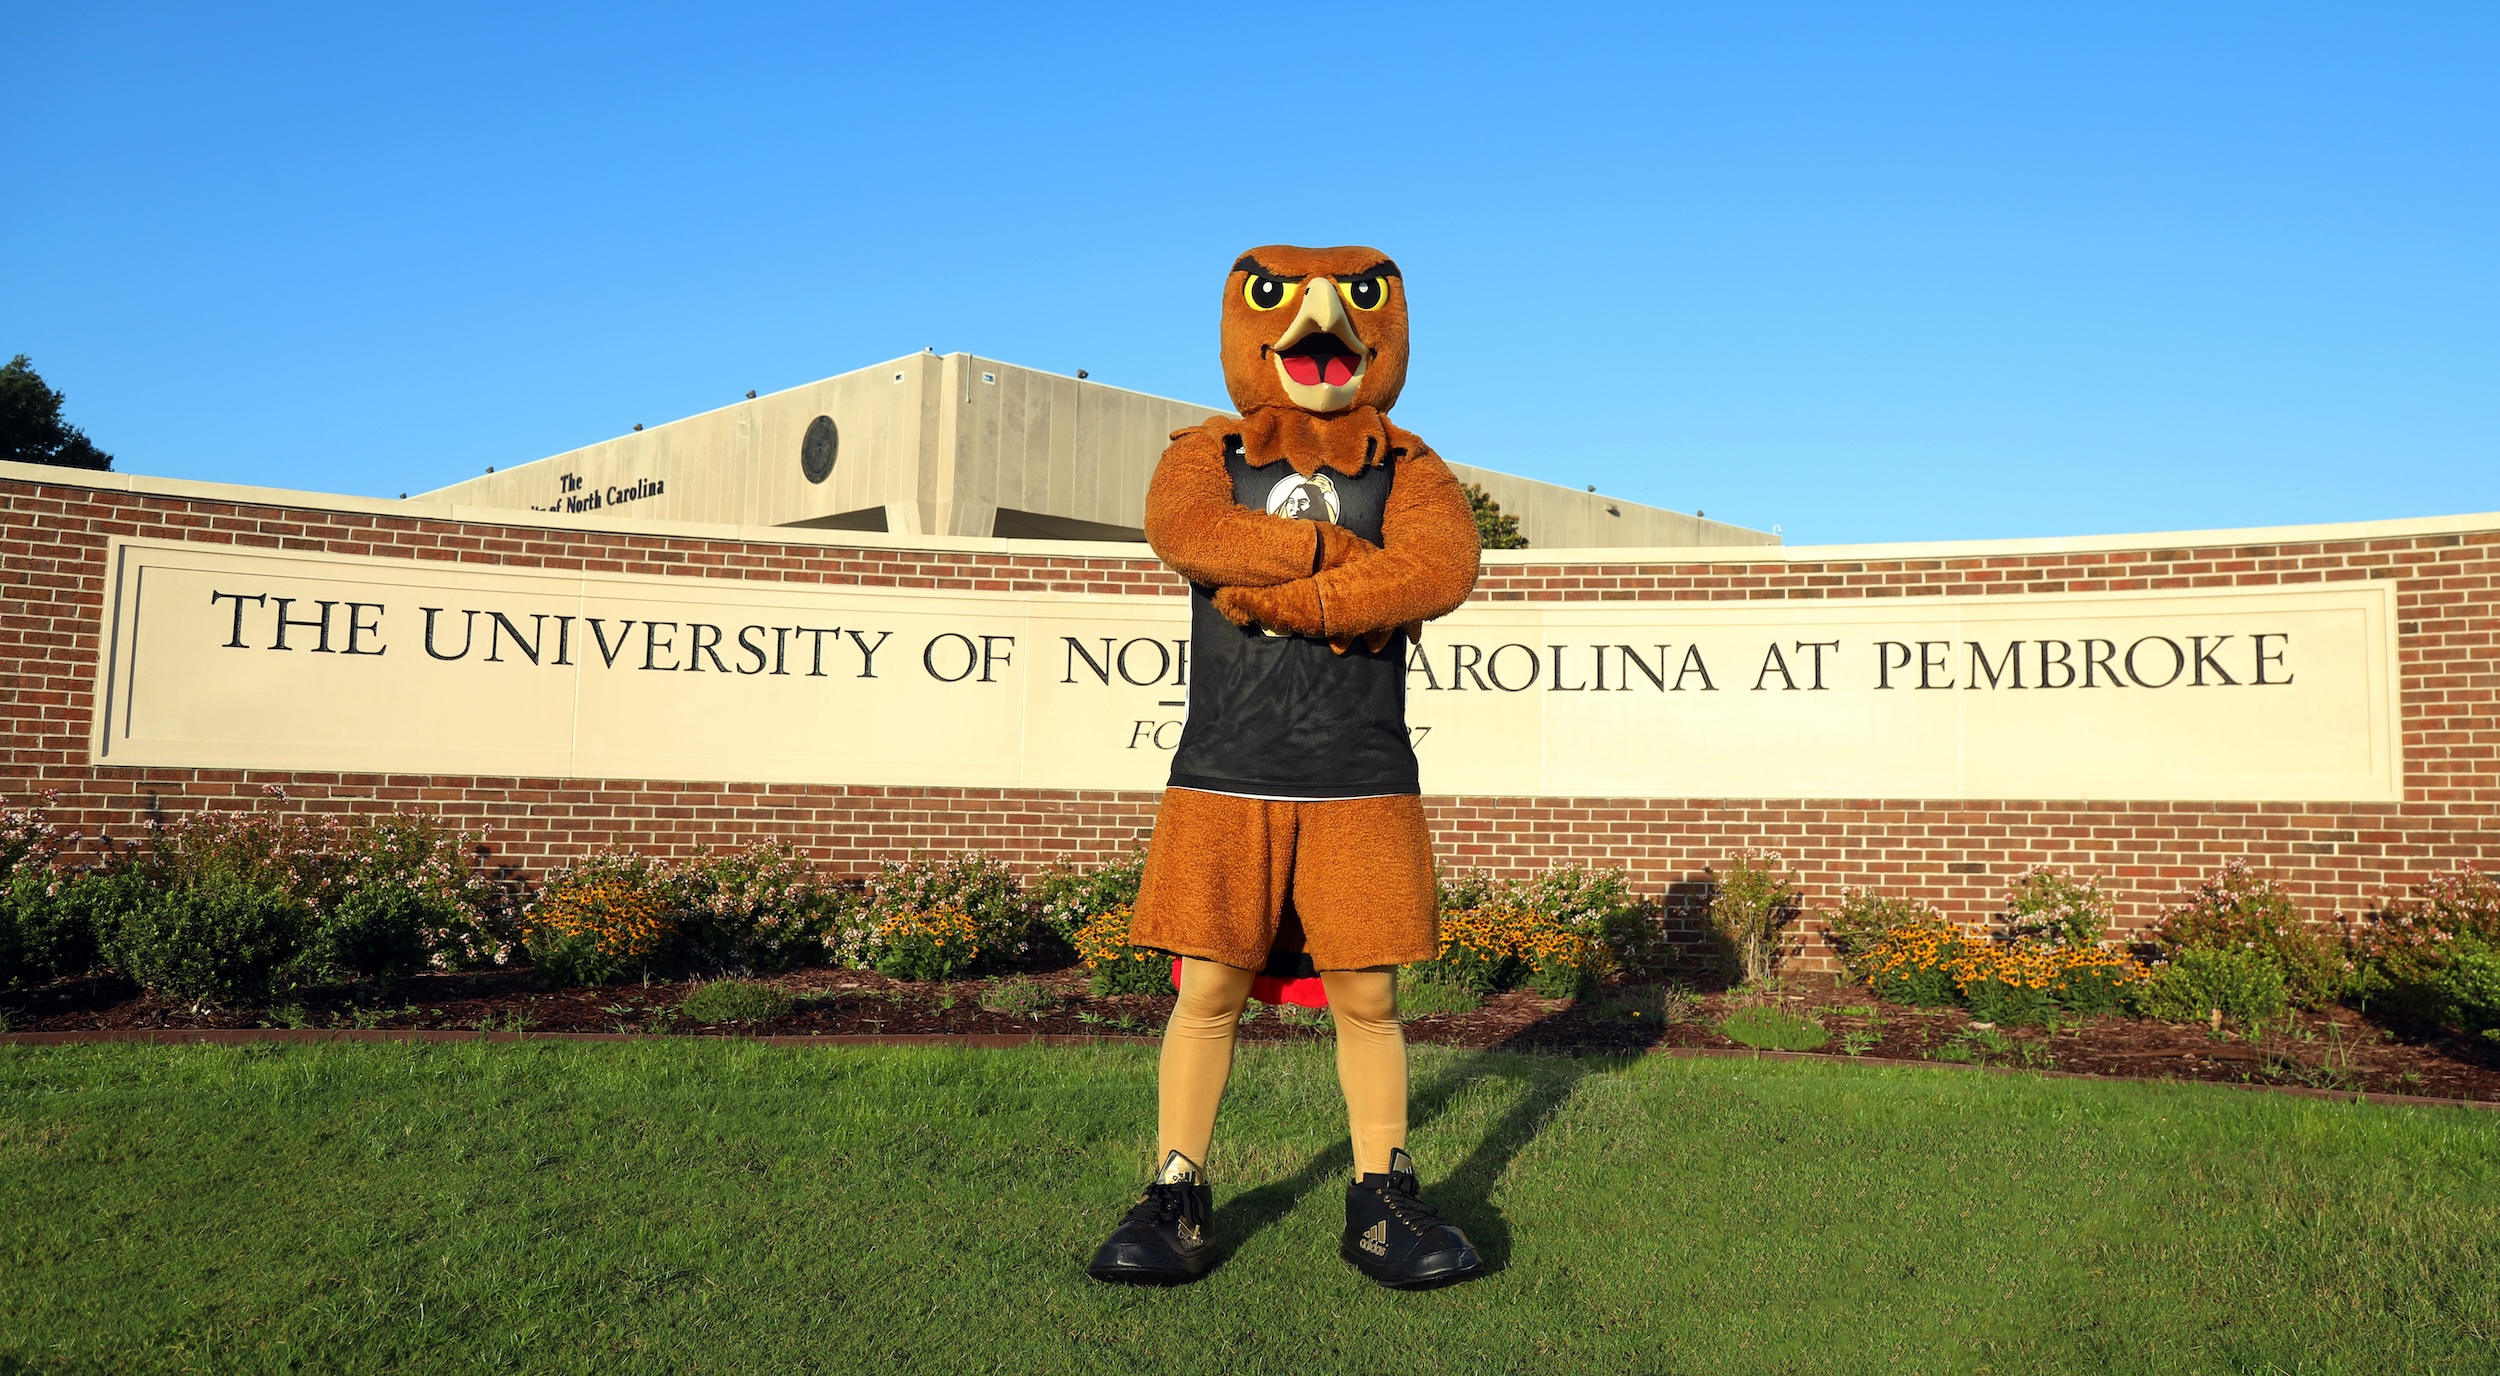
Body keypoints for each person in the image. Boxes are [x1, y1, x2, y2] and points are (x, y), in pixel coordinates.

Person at [1084, 246, 1485, 1289]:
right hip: (1225, 770)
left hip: (1362, 774)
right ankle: (1176, 1192)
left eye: (1358, 300)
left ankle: (1380, 1199)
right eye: (1278, 298)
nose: (1322, 322)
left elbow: (1441, 567)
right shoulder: (1204, 453)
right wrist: (1339, 559)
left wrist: (1296, 601)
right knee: (1207, 988)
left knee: (1369, 996)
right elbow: (1186, 532)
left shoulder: (1410, 466)